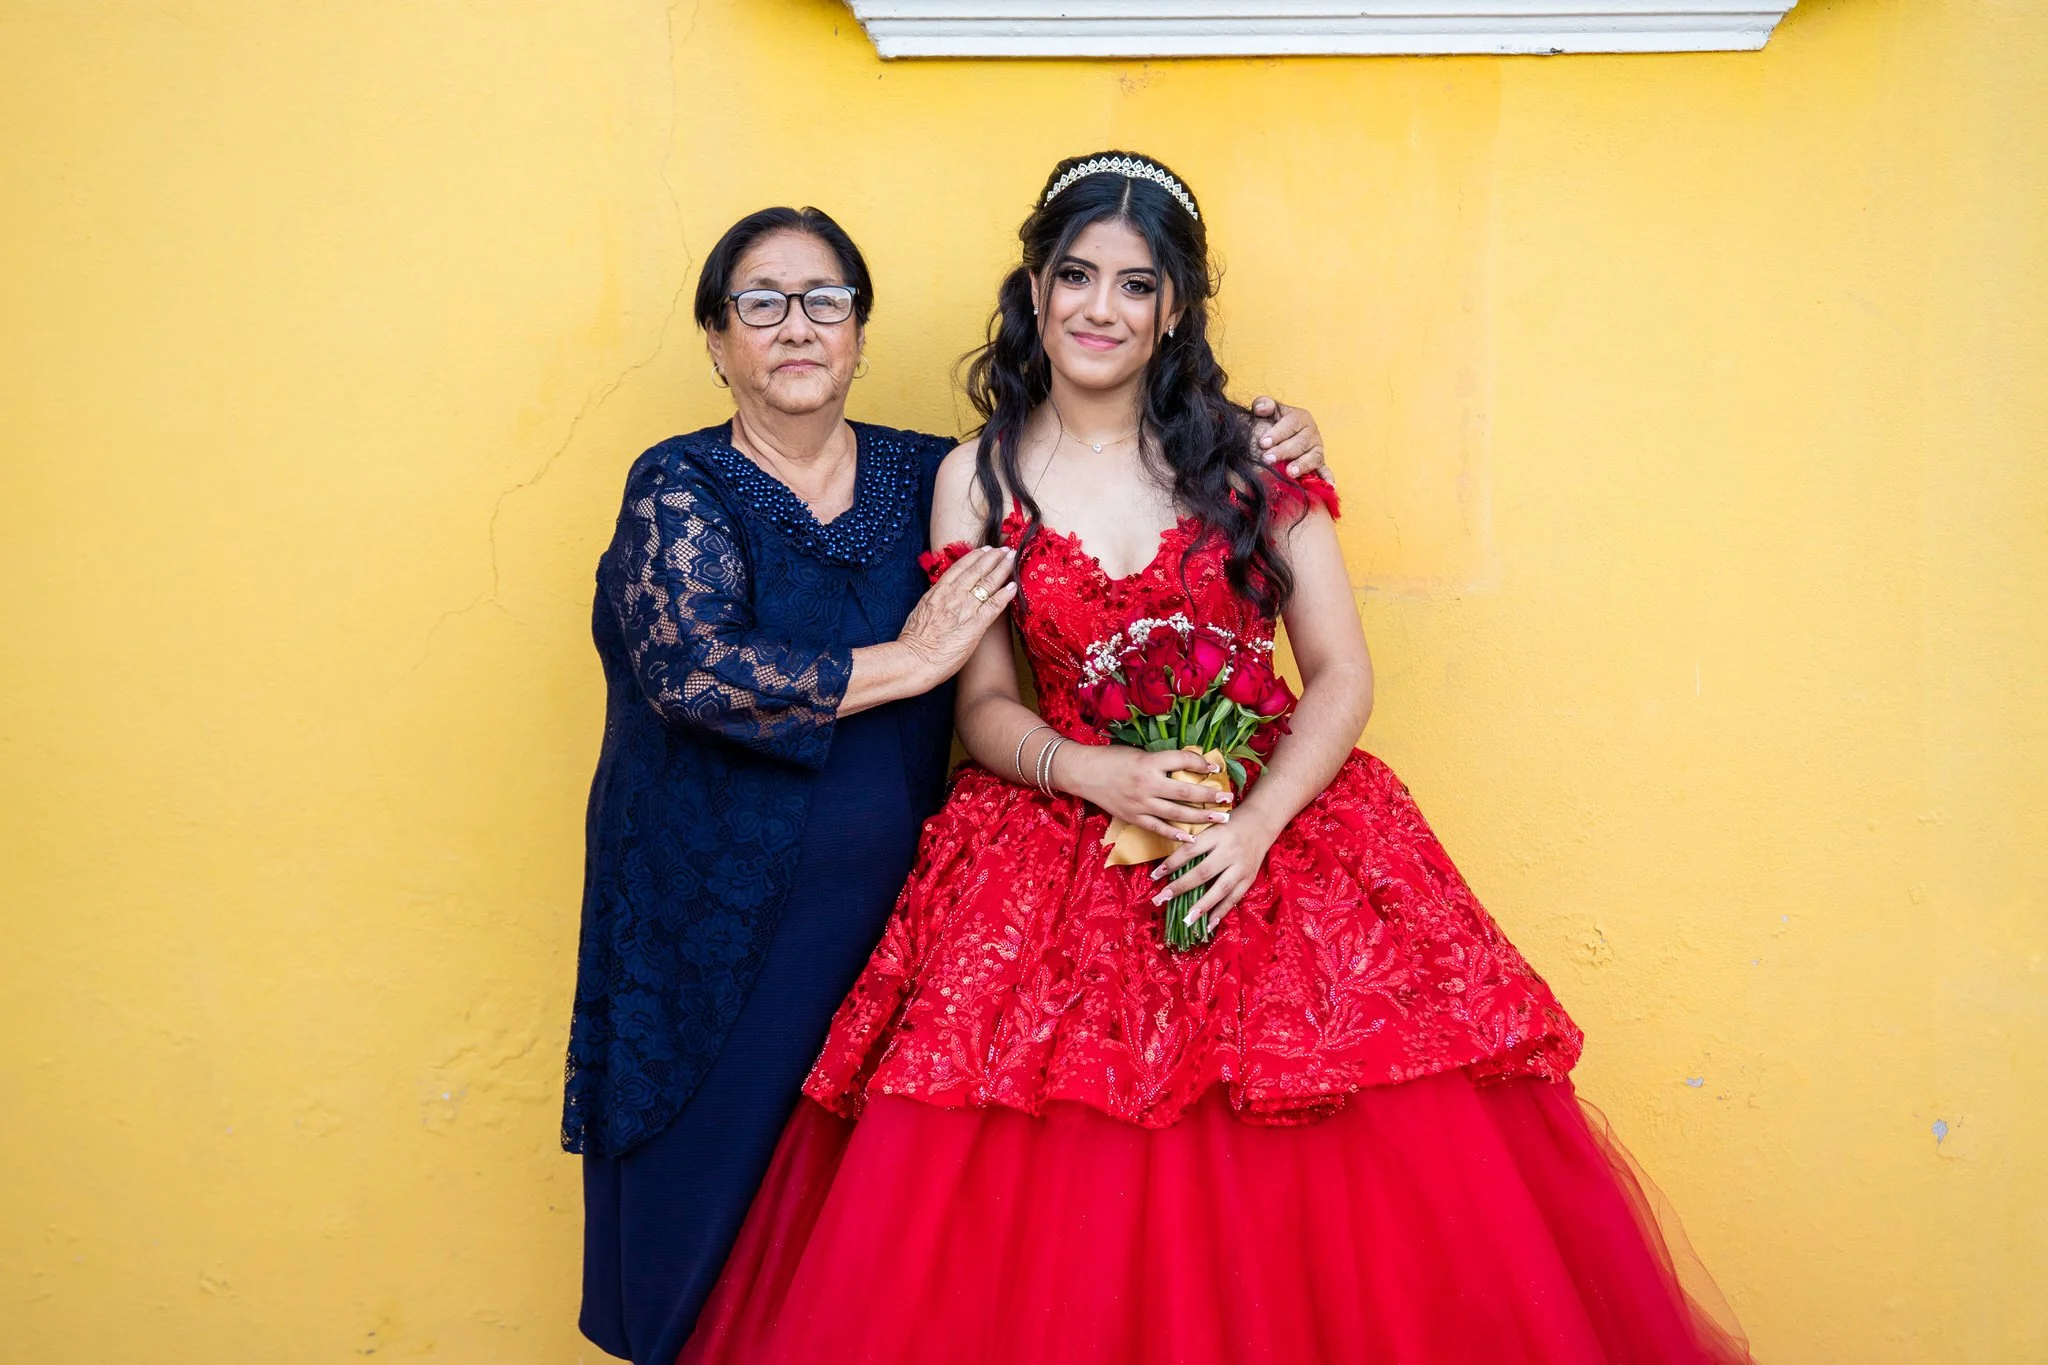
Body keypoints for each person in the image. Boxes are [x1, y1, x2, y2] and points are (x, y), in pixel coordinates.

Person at [675, 154, 1756, 1365]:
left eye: (1134, 284)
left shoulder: (1255, 460)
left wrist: (1252, 829)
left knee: (1334, 1200)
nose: (1098, 307)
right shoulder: (973, 477)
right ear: (1033, 290)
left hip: (1275, 838)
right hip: (1059, 850)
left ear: (1173, 309)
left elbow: (1338, 673)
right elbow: (981, 703)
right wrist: (1086, 770)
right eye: (1074, 276)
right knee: (1062, 1214)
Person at [563, 203, 1330, 1365]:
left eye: (824, 301)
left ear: (859, 332)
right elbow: (692, 673)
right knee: (706, 1227)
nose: (796, 327)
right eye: (760, 304)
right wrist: (913, 661)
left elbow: (1086, 459)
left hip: (890, 925)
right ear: (716, 340)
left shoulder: (934, 472)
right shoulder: (680, 484)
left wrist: (1278, 433)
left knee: (853, 1242)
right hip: (712, 921)